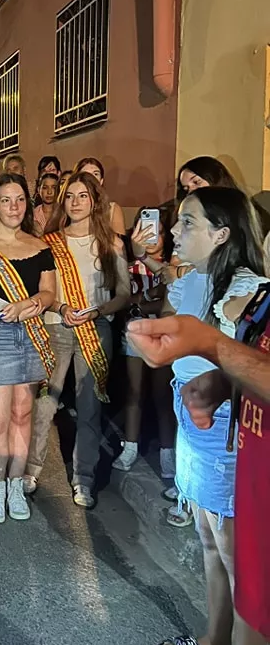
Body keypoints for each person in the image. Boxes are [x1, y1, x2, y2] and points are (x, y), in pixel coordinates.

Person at [127, 302, 270, 645]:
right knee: (235, 554)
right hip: (255, 449)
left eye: (190, 221)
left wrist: (210, 344)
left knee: (246, 562)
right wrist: (223, 381)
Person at [147, 187, 268, 645]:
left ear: (222, 233)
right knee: (209, 535)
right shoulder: (197, 281)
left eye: (188, 223)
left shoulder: (248, 292)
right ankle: (218, 641)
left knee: (237, 546)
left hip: (226, 423)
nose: (176, 231)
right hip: (192, 411)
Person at [28, 172, 130, 507]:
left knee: (89, 407)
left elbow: (123, 294)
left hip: (95, 330)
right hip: (57, 325)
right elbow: (42, 290)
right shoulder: (50, 242)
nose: (74, 202)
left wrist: (98, 313)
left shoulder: (110, 242)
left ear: (95, 199)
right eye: (69, 196)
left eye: (82, 196)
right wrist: (60, 305)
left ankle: (83, 479)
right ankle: (29, 472)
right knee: (44, 404)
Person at [0, 173, 56, 523]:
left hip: (31, 333)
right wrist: (9, 309)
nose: (14, 207)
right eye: (6, 200)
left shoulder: (40, 246)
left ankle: (16, 485)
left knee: (23, 415)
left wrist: (31, 303)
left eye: (20, 199)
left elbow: (49, 293)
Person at [113, 207, 179, 515]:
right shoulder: (131, 265)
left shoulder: (173, 266)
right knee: (134, 392)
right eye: (144, 230)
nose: (151, 237)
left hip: (163, 334)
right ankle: (130, 446)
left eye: (157, 231)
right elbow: (125, 298)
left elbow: (166, 296)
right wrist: (143, 300)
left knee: (163, 394)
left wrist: (144, 300)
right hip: (136, 332)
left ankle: (167, 452)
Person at [76, 156, 126, 237]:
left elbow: (120, 244)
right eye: (86, 174)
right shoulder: (71, 206)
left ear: (101, 180)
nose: (91, 178)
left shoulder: (112, 209)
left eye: (95, 174)